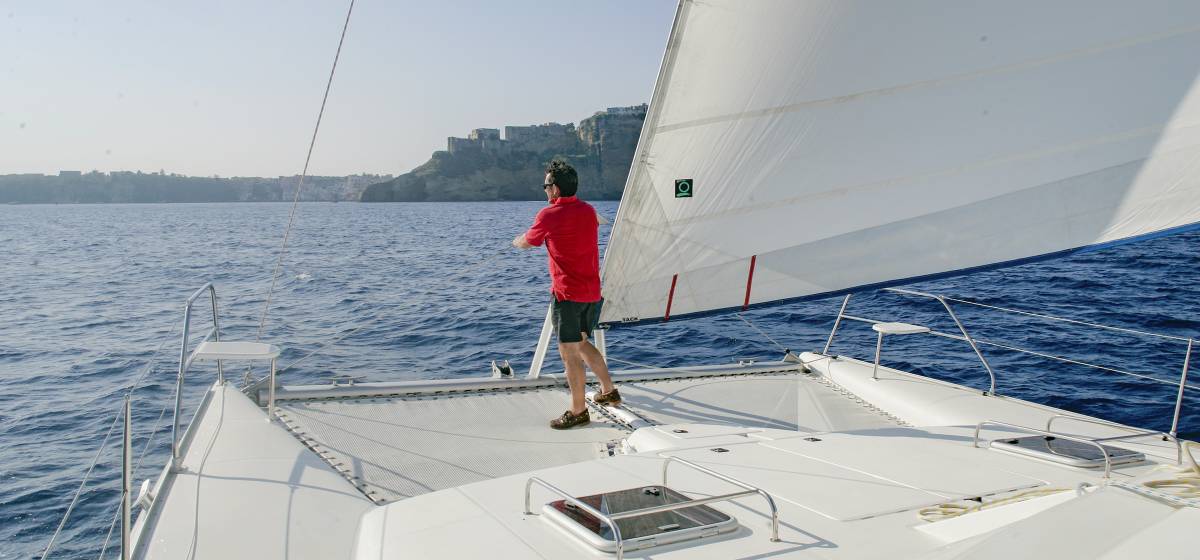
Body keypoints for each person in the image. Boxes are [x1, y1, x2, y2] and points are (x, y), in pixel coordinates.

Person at [513, 160, 620, 429]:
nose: (545, 191)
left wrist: (518, 240)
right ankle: (608, 391)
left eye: (546, 185)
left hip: (568, 295)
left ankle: (578, 410)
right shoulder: (589, 210)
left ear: (556, 189)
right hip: (592, 293)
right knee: (582, 342)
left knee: (569, 353)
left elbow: (528, 243)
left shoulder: (548, 214)